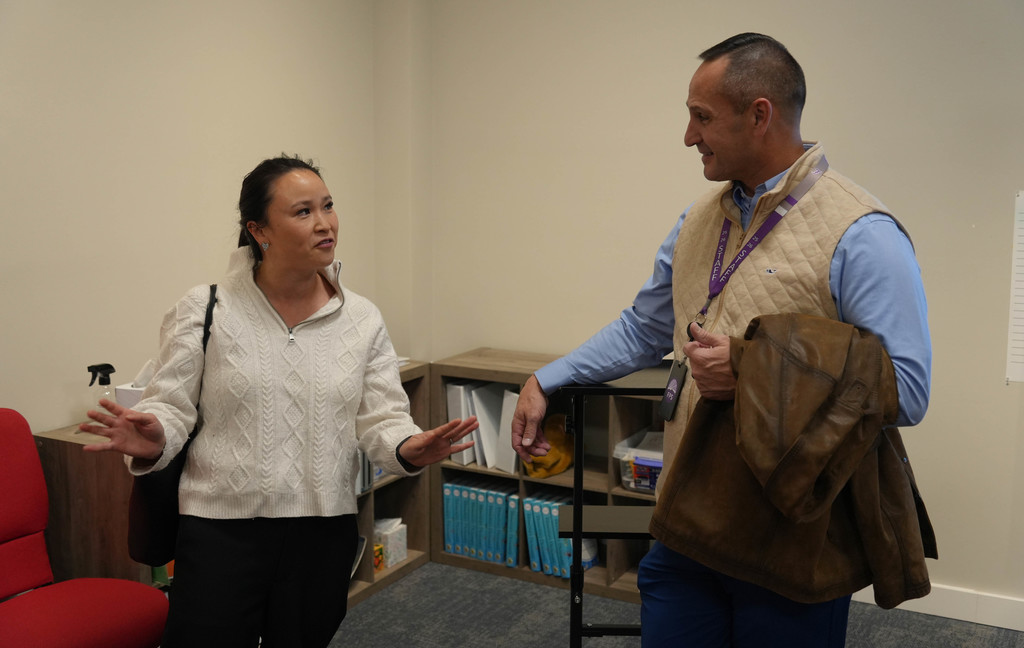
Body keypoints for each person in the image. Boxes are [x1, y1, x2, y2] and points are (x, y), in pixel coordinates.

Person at [511, 33, 932, 647]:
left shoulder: (863, 234)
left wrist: (752, 371)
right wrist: (546, 379)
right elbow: (644, 328)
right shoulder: (697, 220)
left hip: (791, 539)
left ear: (759, 115)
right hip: (686, 520)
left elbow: (908, 390)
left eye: (701, 117)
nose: (688, 135)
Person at [79, 155, 478, 648]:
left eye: (328, 206)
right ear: (259, 230)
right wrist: (156, 433)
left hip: (322, 529)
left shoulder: (362, 319)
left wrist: (407, 447)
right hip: (218, 530)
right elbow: (171, 406)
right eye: (303, 211)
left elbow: (382, 417)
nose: (325, 223)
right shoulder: (204, 308)